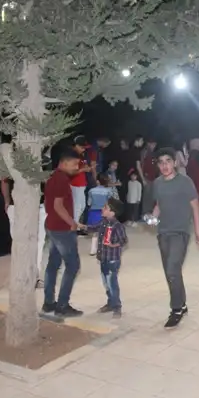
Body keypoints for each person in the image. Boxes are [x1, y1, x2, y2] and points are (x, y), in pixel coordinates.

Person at [151, 147, 199, 329]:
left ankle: (176, 309)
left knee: (172, 269)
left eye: (168, 161)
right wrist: (153, 217)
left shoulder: (185, 182)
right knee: (170, 272)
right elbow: (159, 205)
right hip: (163, 232)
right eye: (161, 162)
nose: (164, 165)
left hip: (180, 232)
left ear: (175, 163)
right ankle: (181, 303)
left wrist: (197, 230)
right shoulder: (158, 183)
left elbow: (195, 206)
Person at [42, 150, 83, 317]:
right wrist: (72, 223)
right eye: (74, 164)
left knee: (53, 264)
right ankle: (62, 306)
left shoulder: (53, 176)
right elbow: (58, 206)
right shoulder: (61, 179)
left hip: (52, 226)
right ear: (64, 163)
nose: (76, 167)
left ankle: (48, 303)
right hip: (61, 229)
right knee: (72, 265)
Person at [84, 198, 128, 319]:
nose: (102, 209)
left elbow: (123, 241)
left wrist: (113, 245)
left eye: (105, 208)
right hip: (103, 258)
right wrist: (81, 226)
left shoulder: (117, 226)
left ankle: (117, 306)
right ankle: (110, 303)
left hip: (112, 260)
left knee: (112, 283)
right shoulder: (103, 222)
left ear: (112, 212)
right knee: (106, 283)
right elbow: (93, 228)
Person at [69, 136, 92, 227]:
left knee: (82, 206)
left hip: (82, 183)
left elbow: (83, 165)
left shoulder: (81, 155)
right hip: (75, 183)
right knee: (77, 207)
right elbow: (71, 171)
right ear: (76, 145)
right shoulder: (71, 155)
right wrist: (83, 169)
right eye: (82, 147)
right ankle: (73, 226)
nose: (84, 149)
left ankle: (75, 223)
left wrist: (87, 168)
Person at [138, 137, 158, 214]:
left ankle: (150, 213)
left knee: (151, 196)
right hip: (146, 177)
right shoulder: (145, 152)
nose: (154, 146)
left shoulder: (153, 153)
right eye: (152, 144)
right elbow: (141, 164)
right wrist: (143, 178)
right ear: (148, 143)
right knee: (146, 196)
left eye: (155, 144)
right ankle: (145, 214)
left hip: (153, 177)